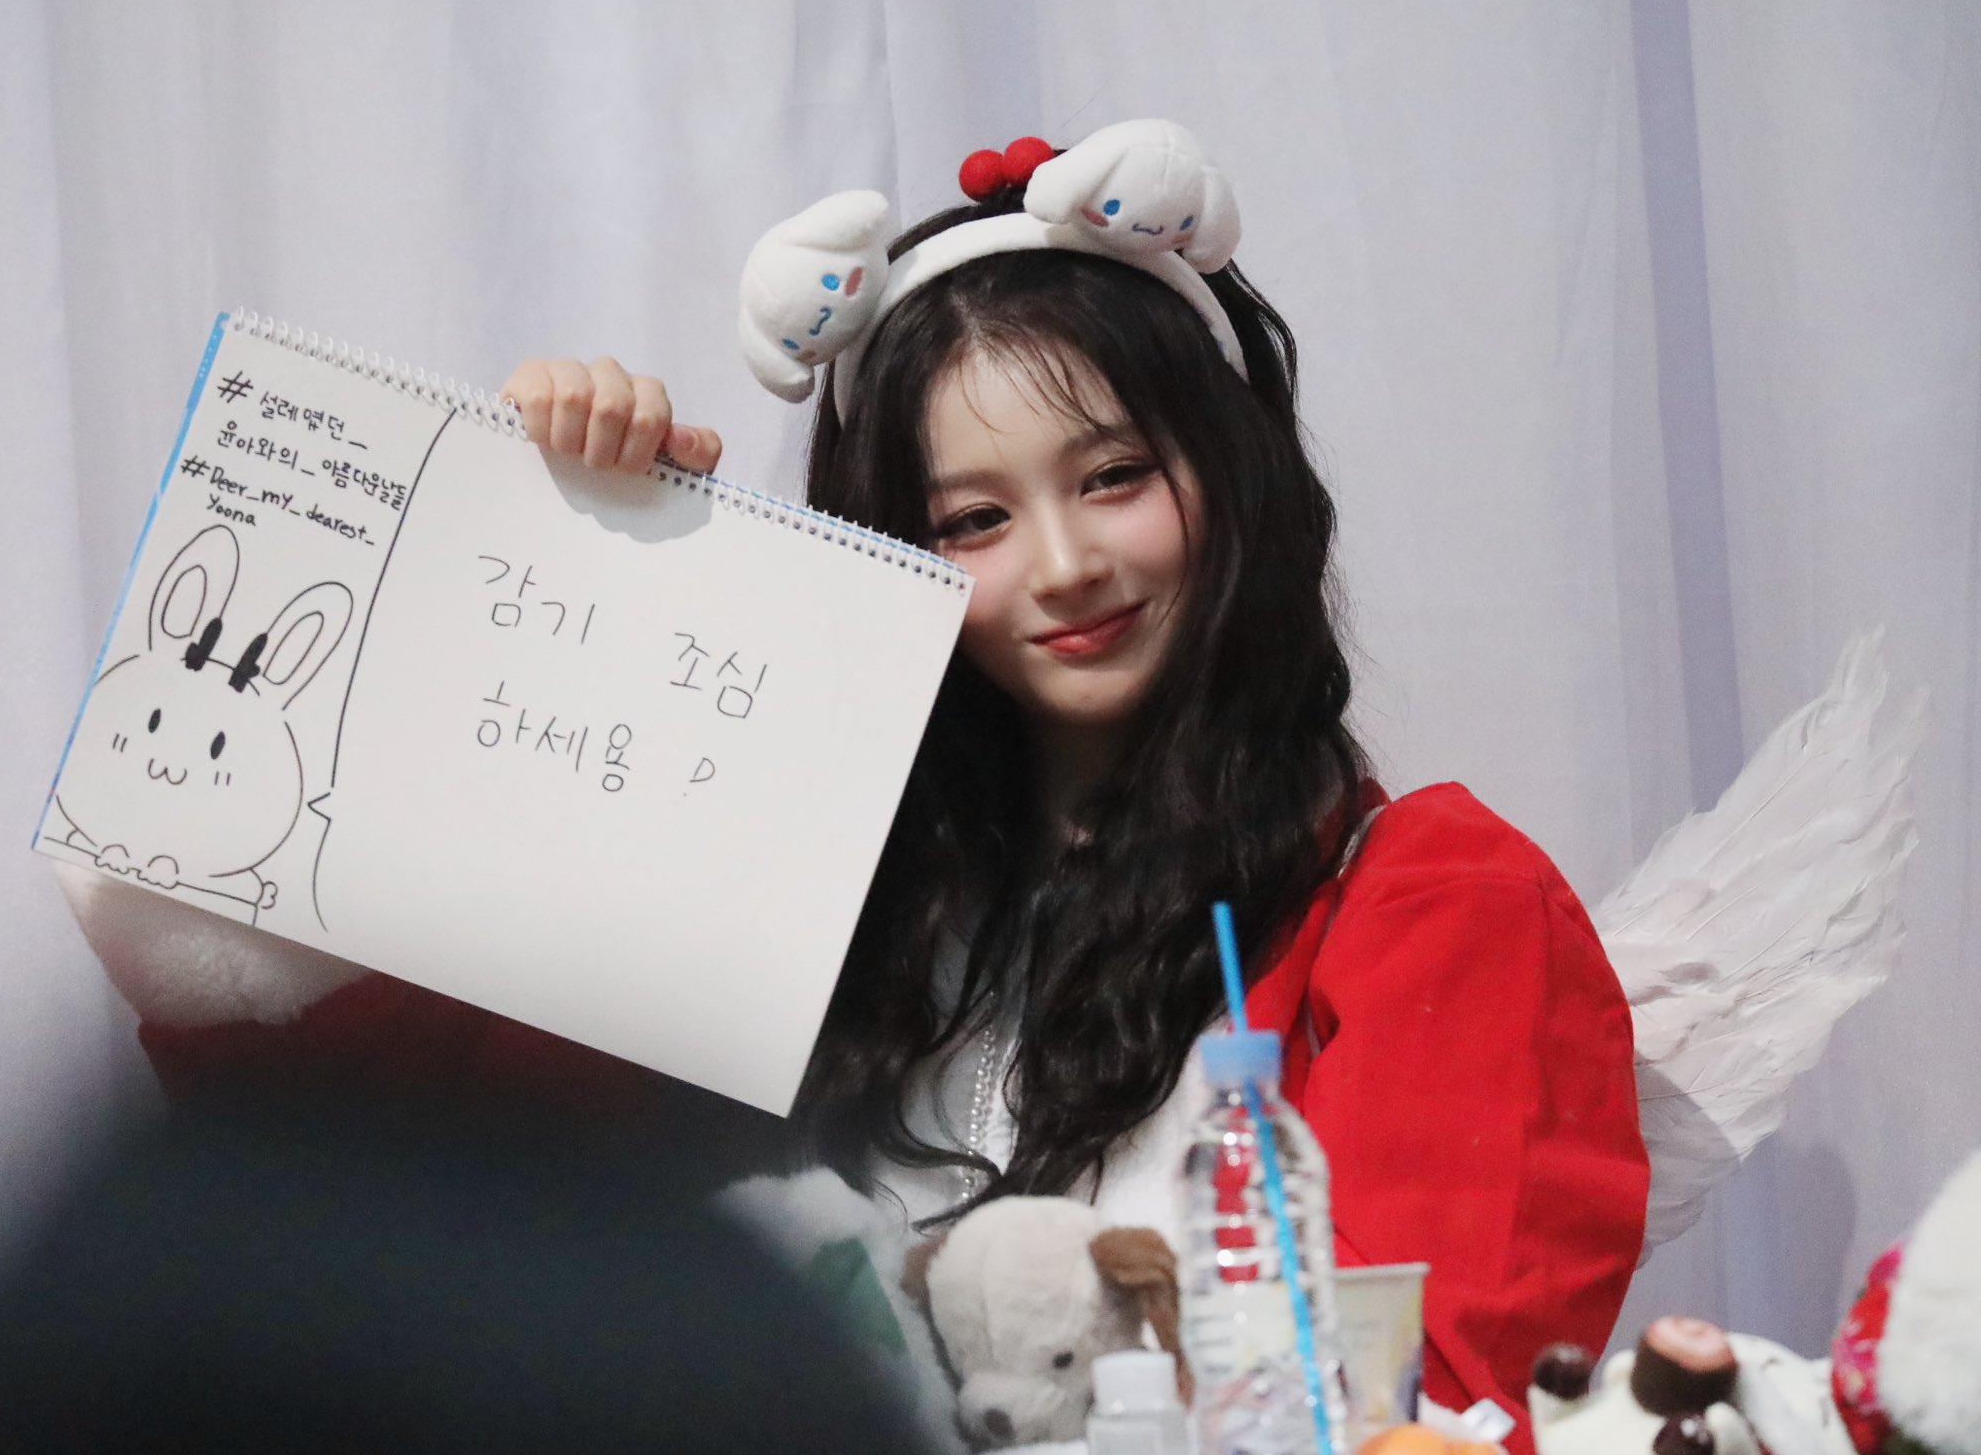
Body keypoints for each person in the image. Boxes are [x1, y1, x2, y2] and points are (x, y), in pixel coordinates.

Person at [84, 124, 1646, 1438]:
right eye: (973, 520)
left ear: (1234, 474)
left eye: (1114, 476)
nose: (1065, 564)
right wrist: (567, 578)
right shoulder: (823, 875)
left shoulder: (1429, 903)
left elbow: (1432, 1405)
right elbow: (410, 1190)